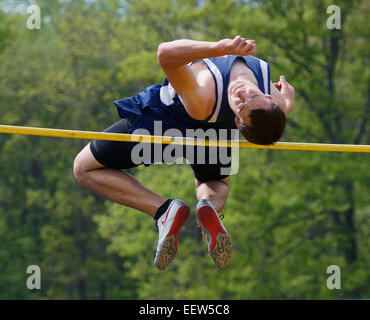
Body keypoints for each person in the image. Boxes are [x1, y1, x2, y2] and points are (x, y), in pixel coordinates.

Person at [73, 36, 295, 270]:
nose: (241, 95)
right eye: (251, 97)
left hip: (164, 124)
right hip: (215, 133)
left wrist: (219, 48)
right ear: (269, 97)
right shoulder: (276, 103)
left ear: (238, 122)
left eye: (240, 107)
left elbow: (165, 54)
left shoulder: (206, 95)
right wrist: (287, 103)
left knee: (84, 168)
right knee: (214, 182)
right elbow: (278, 116)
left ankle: (163, 210)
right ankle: (208, 206)